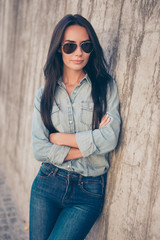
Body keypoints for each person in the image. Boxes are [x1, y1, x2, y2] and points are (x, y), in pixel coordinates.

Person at [29, 14, 121, 240]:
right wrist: (91, 143)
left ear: (92, 49)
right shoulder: (44, 95)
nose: (78, 52)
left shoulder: (105, 87)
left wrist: (60, 138)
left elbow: (110, 139)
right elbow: (39, 149)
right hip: (46, 185)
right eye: (70, 46)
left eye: (85, 45)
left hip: (88, 191)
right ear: (59, 49)